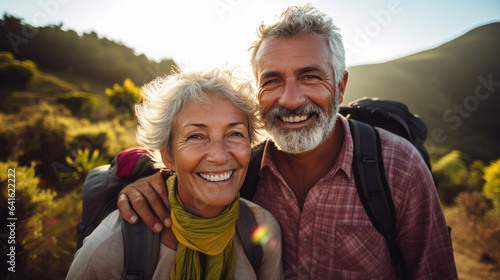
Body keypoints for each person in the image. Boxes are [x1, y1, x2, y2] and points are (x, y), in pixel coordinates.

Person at [116, 5, 458, 279]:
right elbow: (191, 169)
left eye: (310, 77)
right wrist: (152, 180)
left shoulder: (398, 167)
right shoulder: (240, 170)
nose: (291, 100)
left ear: (340, 87)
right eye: (273, 81)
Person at [66, 68, 282, 280]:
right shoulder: (112, 246)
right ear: (168, 155)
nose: (219, 156)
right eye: (196, 136)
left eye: (235, 133)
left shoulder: (262, 229)